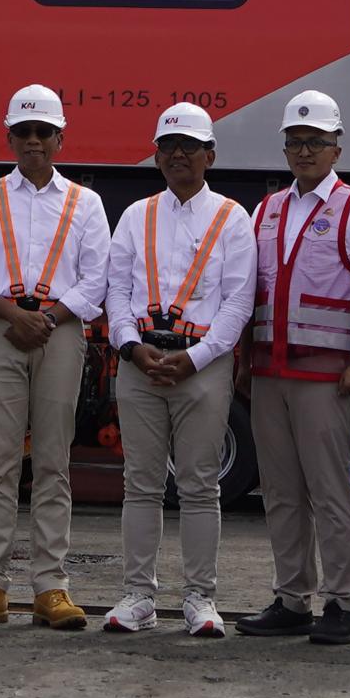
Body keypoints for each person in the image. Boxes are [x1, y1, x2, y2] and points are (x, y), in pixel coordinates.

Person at [238, 89, 350, 644]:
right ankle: (291, 597)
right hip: (270, 371)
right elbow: (249, 289)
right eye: (295, 142)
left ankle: (344, 604)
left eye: (316, 142)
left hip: (329, 375)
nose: (304, 151)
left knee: (331, 491)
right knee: (280, 491)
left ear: (337, 148)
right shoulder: (268, 208)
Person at [0, 82, 109, 631]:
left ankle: (51, 587)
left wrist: (44, 319)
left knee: (52, 462)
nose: (34, 142)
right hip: (0, 330)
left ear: (60, 139)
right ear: (10, 138)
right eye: (24, 132)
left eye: (43, 132)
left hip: (58, 332)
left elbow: (96, 281)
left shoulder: (85, 202)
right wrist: (13, 315)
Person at [101, 102, 255, 638]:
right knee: (140, 483)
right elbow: (115, 289)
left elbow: (239, 301)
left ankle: (200, 597)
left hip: (201, 367)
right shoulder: (136, 215)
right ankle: (138, 594)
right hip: (141, 361)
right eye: (168, 146)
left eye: (189, 146)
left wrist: (197, 357)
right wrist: (128, 346)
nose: (177, 155)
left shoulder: (233, 217)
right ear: (157, 155)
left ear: (210, 154)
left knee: (199, 485)